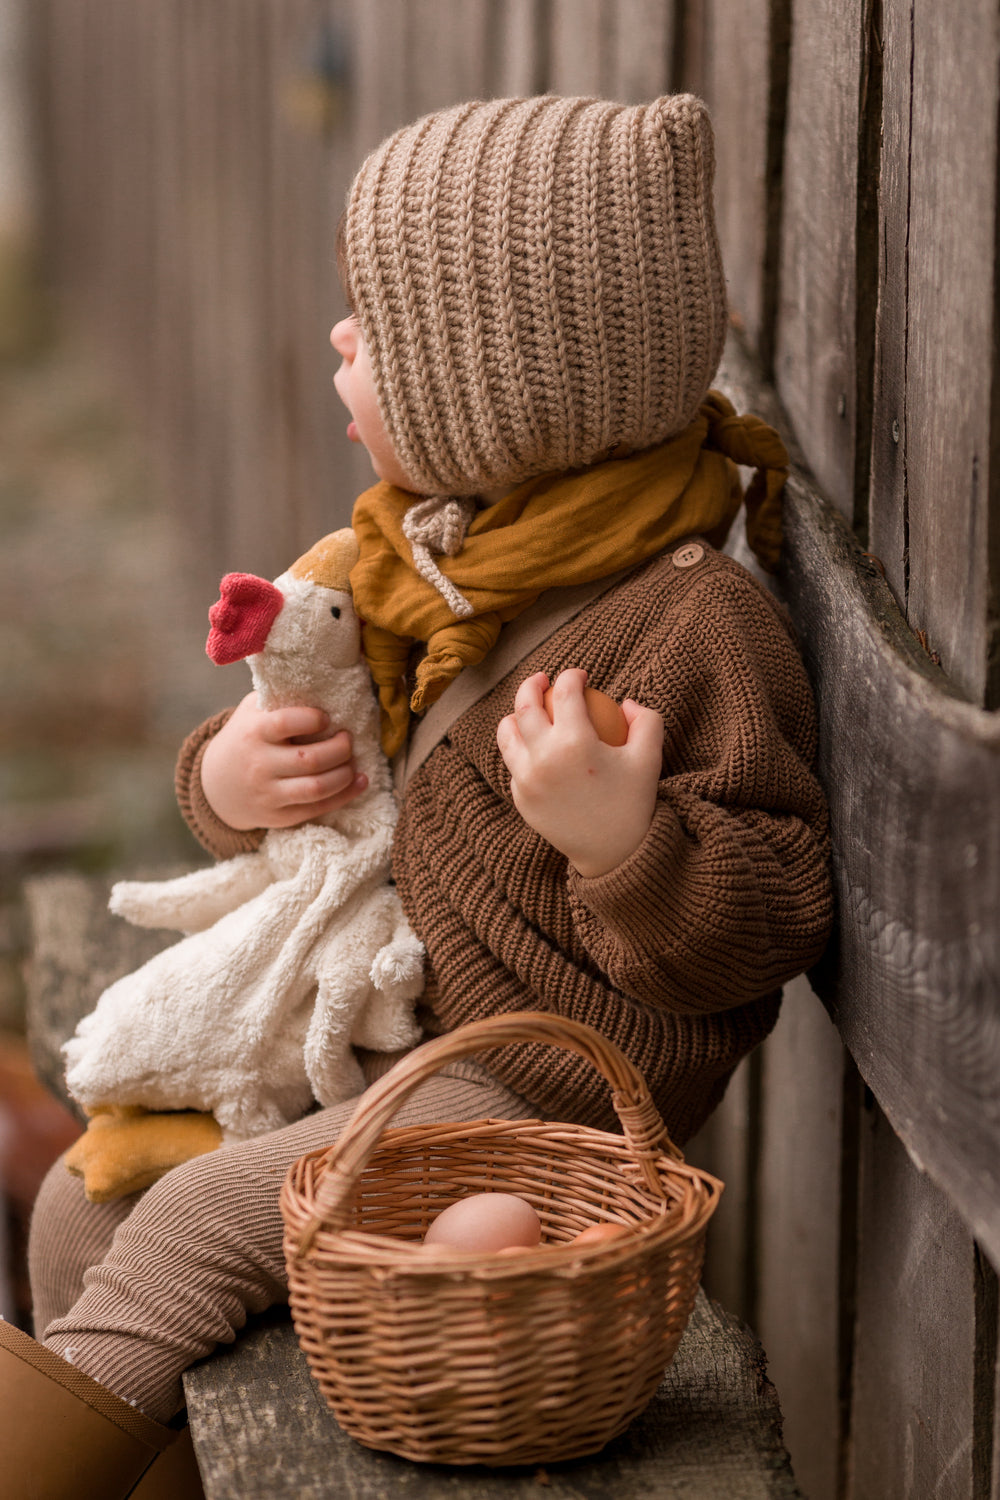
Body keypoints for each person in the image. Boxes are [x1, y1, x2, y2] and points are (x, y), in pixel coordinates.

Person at [7, 93, 832, 1497]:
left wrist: (625, 843)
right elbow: (330, 759)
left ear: (507, 386)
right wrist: (231, 777)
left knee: (203, 1218)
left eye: (377, 330)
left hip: (539, 1080)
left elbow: (769, 921)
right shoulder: (436, 554)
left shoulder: (695, 626)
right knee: (86, 1213)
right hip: (394, 1023)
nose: (339, 342)